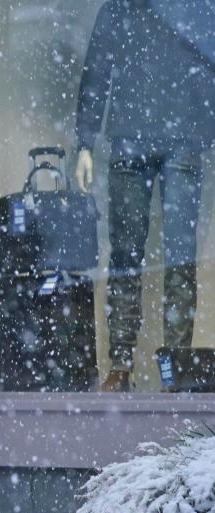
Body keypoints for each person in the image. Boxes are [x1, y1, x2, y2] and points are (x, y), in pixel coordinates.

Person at [74, 0, 215, 392]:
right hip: (144, 139)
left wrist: (85, 141)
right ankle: (141, 367)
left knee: (162, 257)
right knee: (138, 256)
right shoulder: (131, 7)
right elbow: (98, 70)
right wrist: (84, 141)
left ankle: (160, 368)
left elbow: (97, 70)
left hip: (170, 137)